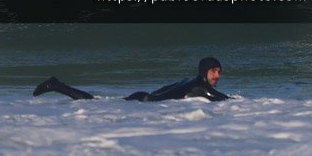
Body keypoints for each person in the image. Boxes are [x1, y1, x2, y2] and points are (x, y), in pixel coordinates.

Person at [33, 56, 229, 102]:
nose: (218, 76)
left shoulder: (191, 81)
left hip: (142, 97)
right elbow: (222, 99)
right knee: (93, 103)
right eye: (214, 71)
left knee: (96, 103)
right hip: (144, 102)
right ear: (205, 71)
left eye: (219, 72)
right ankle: (56, 85)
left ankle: (58, 86)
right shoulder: (201, 87)